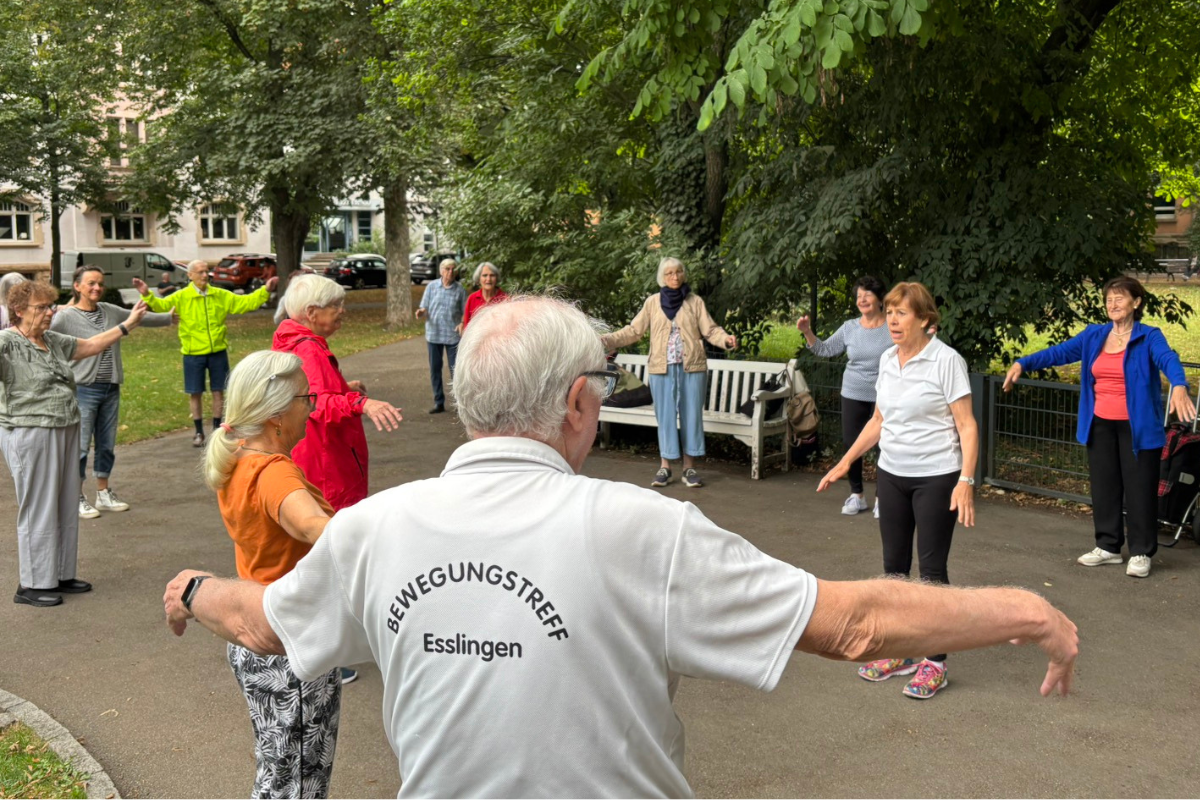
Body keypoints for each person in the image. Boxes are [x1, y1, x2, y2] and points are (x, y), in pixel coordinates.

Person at [164, 296, 1078, 797]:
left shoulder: (375, 528)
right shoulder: (639, 526)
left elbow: (266, 623)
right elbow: (856, 624)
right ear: (572, 403)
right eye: (597, 390)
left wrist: (192, 588)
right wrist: (1024, 610)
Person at [817, 281, 978, 699]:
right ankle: (902, 650)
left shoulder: (946, 361)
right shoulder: (888, 359)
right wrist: (844, 461)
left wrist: (966, 481)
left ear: (925, 320)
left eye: (901, 313)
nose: (891, 319)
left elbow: (967, 425)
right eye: (889, 311)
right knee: (893, 570)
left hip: (937, 476)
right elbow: (878, 420)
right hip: (892, 474)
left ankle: (935, 661)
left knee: (931, 572)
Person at [198, 350, 340, 797]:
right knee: (296, 783)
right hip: (290, 644)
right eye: (306, 398)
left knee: (278, 772)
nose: (311, 408)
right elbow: (313, 527)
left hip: (258, 634)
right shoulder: (274, 473)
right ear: (277, 415)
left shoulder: (238, 459)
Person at [1003, 276, 1194, 579]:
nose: (1113, 304)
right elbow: (1059, 352)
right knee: (1105, 487)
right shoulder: (1094, 336)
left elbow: (1168, 359)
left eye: (1119, 298)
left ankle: (1142, 551)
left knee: (1139, 490)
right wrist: (1022, 363)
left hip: (1138, 427)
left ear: (1137, 303)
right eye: (1108, 299)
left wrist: (1180, 384)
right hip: (1100, 423)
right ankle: (1108, 547)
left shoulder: (1149, 337)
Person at [273, 274, 404, 684]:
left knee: (320, 553)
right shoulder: (308, 348)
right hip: (327, 463)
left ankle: (318, 647)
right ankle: (326, 655)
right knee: (331, 553)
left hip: (318, 457)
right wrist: (360, 402)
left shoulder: (295, 342)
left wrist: (345, 388)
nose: (343, 313)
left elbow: (318, 392)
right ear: (312, 313)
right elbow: (318, 404)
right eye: (336, 307)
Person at [1, 280, 148, 607]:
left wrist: (126, 326)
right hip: (29, 431)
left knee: (66, 502)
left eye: (51, 307)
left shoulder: (51, 340)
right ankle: (32, 583)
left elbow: (92, 345)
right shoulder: (7, 343)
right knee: (38, 506)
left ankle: (60, 574)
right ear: (19, 311)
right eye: (41, 308)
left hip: (65, 427)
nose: (49, 313)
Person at [602, 256, 737, 489]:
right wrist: (607, 340)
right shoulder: (653, 303)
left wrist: (725, 340)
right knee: (664, 418)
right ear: (662, 277)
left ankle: (689, 468)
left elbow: (711, 330)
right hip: (660, 369)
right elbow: (634, 331)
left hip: (692, 367)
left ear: (684, 274)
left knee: (691, 417)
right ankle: (665, 467)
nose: (675, 277)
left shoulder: (694, 302)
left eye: (678, 272)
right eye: (669, 273)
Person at [52, 266, 174, 518]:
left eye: (100, 283)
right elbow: (48, 340)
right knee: (81, 447)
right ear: (77, 286)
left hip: (110, 388)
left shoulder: (109, 310)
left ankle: (103, 492)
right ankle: (75, 496)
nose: (96, 288)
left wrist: (167, 317)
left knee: (106, 445)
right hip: (83, 389)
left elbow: (137, 318)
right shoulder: (65, 318)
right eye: (90, 284)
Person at [134, 261, 278, 447]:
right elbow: (161, 306)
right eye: (200, 272)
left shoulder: (219, 295)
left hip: (217, 351)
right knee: (195, 393)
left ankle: (218, 431)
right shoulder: (182, 296)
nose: (205, 275)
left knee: (219, 391)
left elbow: (246, 303)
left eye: (206, 271)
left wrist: (265, 290)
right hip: (193, 353)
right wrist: (146, 294)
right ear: (190, 275)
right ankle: (199, 432)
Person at [797, 276, 892, 518]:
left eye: (867, 295)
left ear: (880, 299)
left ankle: (884, 499)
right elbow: (825, 349)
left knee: (886, 446)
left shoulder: (893, 326)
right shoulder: (850, 327)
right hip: (853, 393)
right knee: (852, 445)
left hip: (887, 395)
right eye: (859, 296)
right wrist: (807, 332)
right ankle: (857, 495)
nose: (862, 299)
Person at [415, 258, 466, 414]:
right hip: (434, 334)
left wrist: (463, 323)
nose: (450, 272)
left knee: (455, 370)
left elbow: (466, 311)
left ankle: (460, 404)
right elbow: (424, 306)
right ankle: (439, 402)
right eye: (447, 269)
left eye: (453, 269)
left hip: (452, 336)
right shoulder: (431, 287)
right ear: (441, 271)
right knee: (435, 369)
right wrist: (422, 312)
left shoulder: (460, 290)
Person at [460, 261, 507, 331]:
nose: (488, 279)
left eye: (492, 275)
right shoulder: (472, 298)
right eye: (485, 275)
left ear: (496, 278)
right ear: (479, 279)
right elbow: (467, 327)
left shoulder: (505, 299)